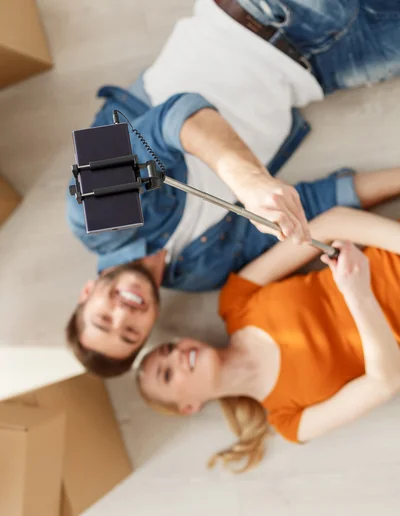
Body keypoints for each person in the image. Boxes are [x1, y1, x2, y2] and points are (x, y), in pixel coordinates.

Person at [66, 0, 400, 376]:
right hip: (317, 72)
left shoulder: (92, 217)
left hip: (258, 16)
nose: (123, 313)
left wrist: (250, 181)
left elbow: (178, 114)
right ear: (147, 335)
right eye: (130, 333)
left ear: (86, 295)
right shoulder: (202, 273)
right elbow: (311, 206)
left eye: (103, 320)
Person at [136, 202, 400, 472]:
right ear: (189, 407)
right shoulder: (290, 421)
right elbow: (386, 382)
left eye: (168, 348)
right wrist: (357, 294)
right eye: (166, 373)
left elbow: (332, 224)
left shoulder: (235, 303)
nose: (177, 354)